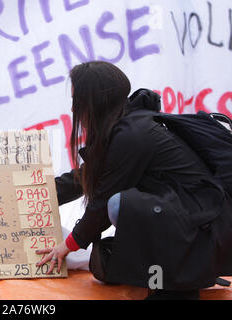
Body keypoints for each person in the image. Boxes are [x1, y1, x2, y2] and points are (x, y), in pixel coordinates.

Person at [35, 61, 232, 300]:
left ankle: (169, 284)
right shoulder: (126, 127)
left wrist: (68, 245)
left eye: (77, 101)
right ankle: (166, 277)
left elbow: (101, 202)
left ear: (94, 102)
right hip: (192, 223)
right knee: (110, 256)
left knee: (120, 204)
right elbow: (84, 178)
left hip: (205, 230)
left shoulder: (131, 135)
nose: (74, 110)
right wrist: (36, 194)